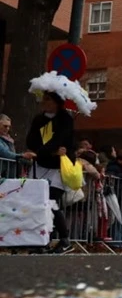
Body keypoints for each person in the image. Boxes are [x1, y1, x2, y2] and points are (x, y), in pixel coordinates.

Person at [23, 91, 75, 253]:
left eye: (48, 99)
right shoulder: (39, 119)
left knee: (51, 202)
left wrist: (46, 151)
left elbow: (61, 140)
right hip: (41, 164)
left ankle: (65, 239)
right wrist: (46, 152)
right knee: (38, 203)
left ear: (57, 102)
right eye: (44, 99)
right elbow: (31, 140)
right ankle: (42, 240)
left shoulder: (65, 119)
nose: (44, 102)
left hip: (58, 167)